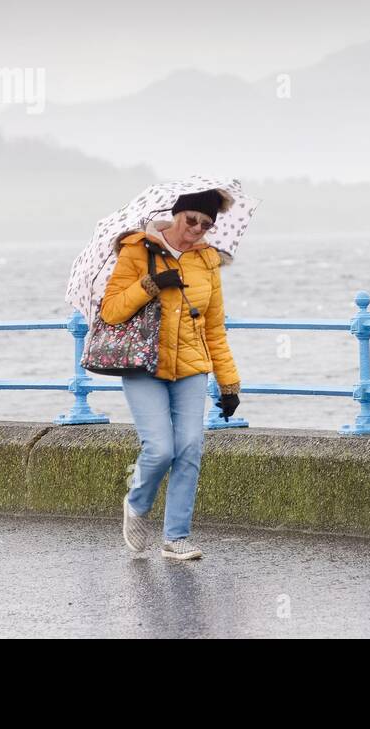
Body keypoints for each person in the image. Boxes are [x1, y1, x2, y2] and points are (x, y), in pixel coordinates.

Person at [99, 189, 241, 560]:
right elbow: (111, 311)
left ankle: (176, 537)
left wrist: (229, 383)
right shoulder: (137, 249)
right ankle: (137, 503)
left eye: (207, 224)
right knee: (161, 448)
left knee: (190, 446)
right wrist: (150, 285)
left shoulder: (208, 261)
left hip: (192, 367)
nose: (197, 229)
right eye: (191, 219)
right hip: (145, 364)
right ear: (176, 214)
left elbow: (214, 328)